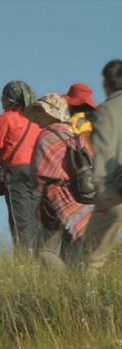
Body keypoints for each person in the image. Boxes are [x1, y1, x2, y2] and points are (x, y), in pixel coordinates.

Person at [26, 93, 94, 271]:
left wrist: (38, 198)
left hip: (55, 198)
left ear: (51, 113)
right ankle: (76, 287)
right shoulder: (76, 134)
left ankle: (63, 281)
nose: (38, 115)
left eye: (41, 111)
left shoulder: (46, 136)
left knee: (43, 251)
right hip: (80, 198)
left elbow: (37, 172)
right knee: (74, 251)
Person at [81, 59, 122, 275]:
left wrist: (101, 188)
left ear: (106, 83)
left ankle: (86, 304)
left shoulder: (106, 110)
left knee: (90, 256)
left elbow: (104, 150)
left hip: (115, 189)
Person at [0, 81, 43, 252]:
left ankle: (25, 262)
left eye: (3, 96)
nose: (0, 99)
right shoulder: (37, 121)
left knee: (19, 221)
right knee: (34, 220)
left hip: (16, 173)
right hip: (37, 172)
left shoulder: (5, 118)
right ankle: (39, 259)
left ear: (11, 100)